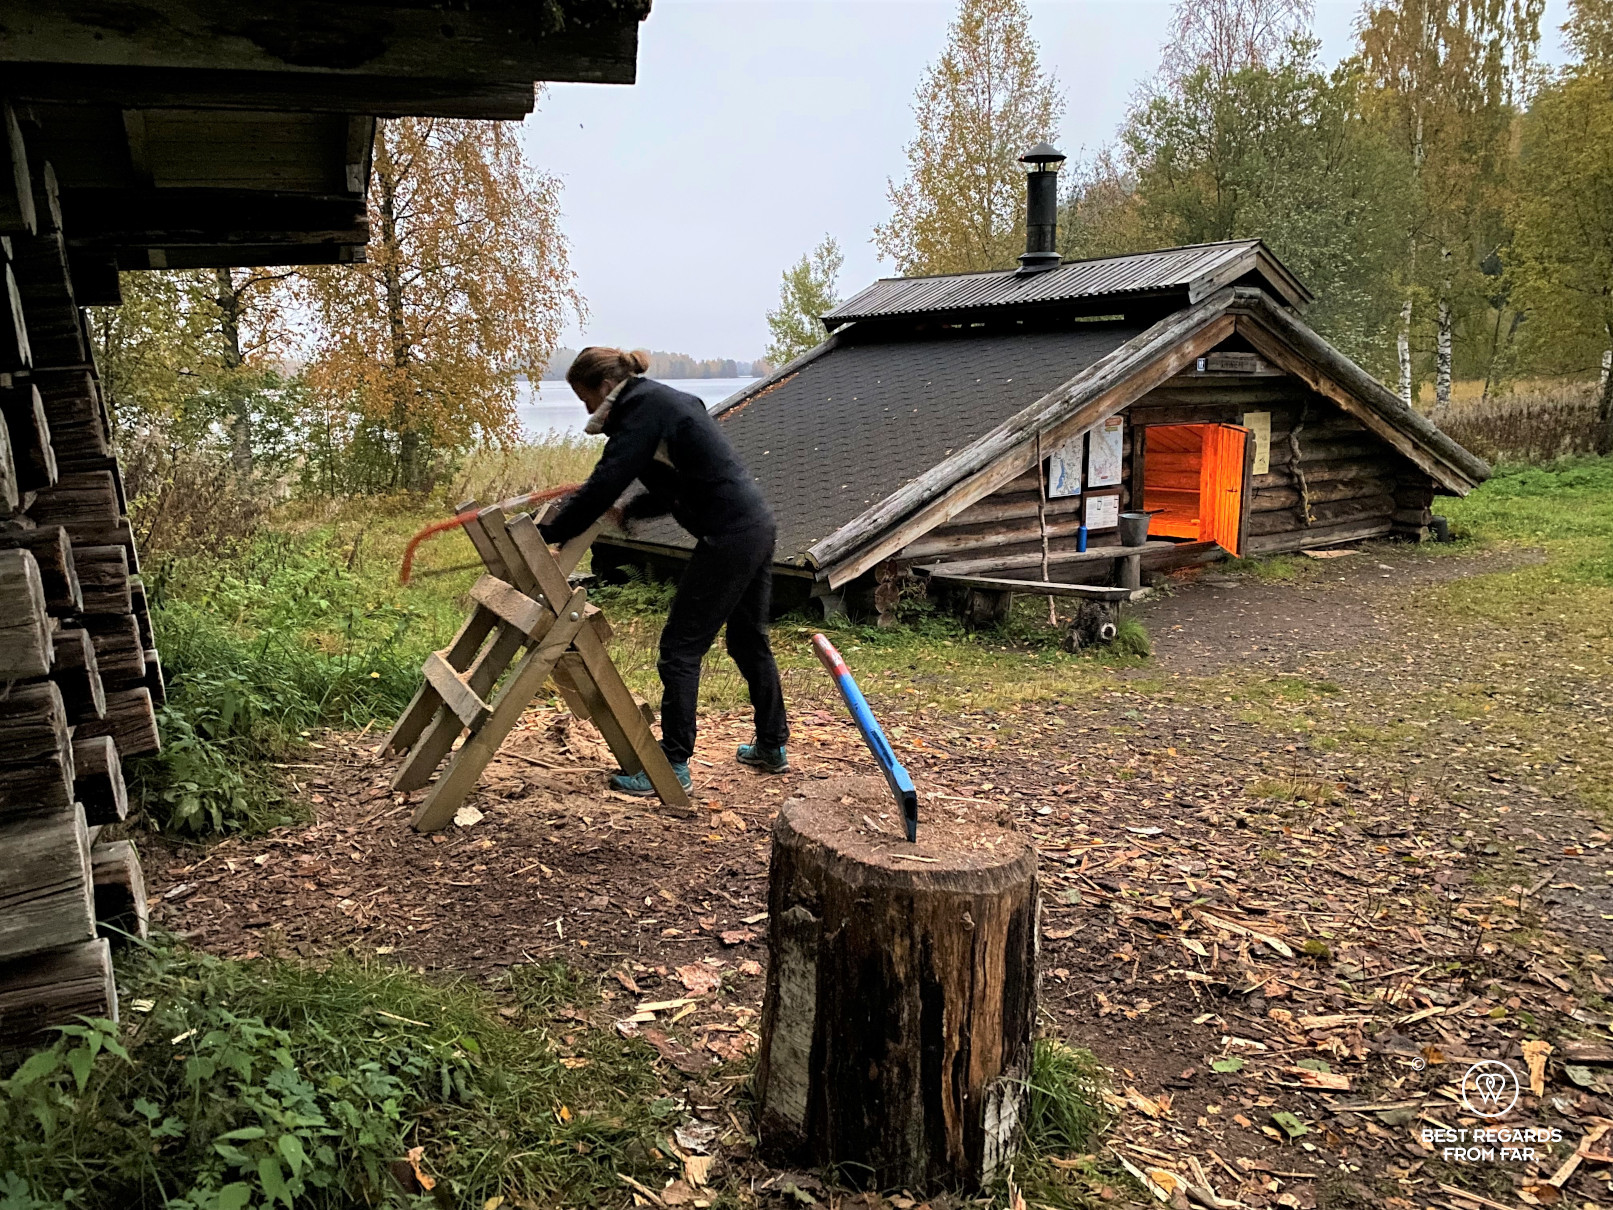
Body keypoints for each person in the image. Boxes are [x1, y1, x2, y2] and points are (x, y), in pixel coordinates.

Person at [538, 346, 790, 795]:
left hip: (731, 535)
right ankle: (771, 746)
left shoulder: (640, 409)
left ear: (602, 386)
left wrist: (551, 534)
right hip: (754, 525)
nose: (586, 410)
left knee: (680, 648)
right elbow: (685, 481)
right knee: (748, 641)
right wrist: (634, 509)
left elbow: (604, 481)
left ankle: (673, 764)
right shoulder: (660, 402)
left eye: (584, 399)